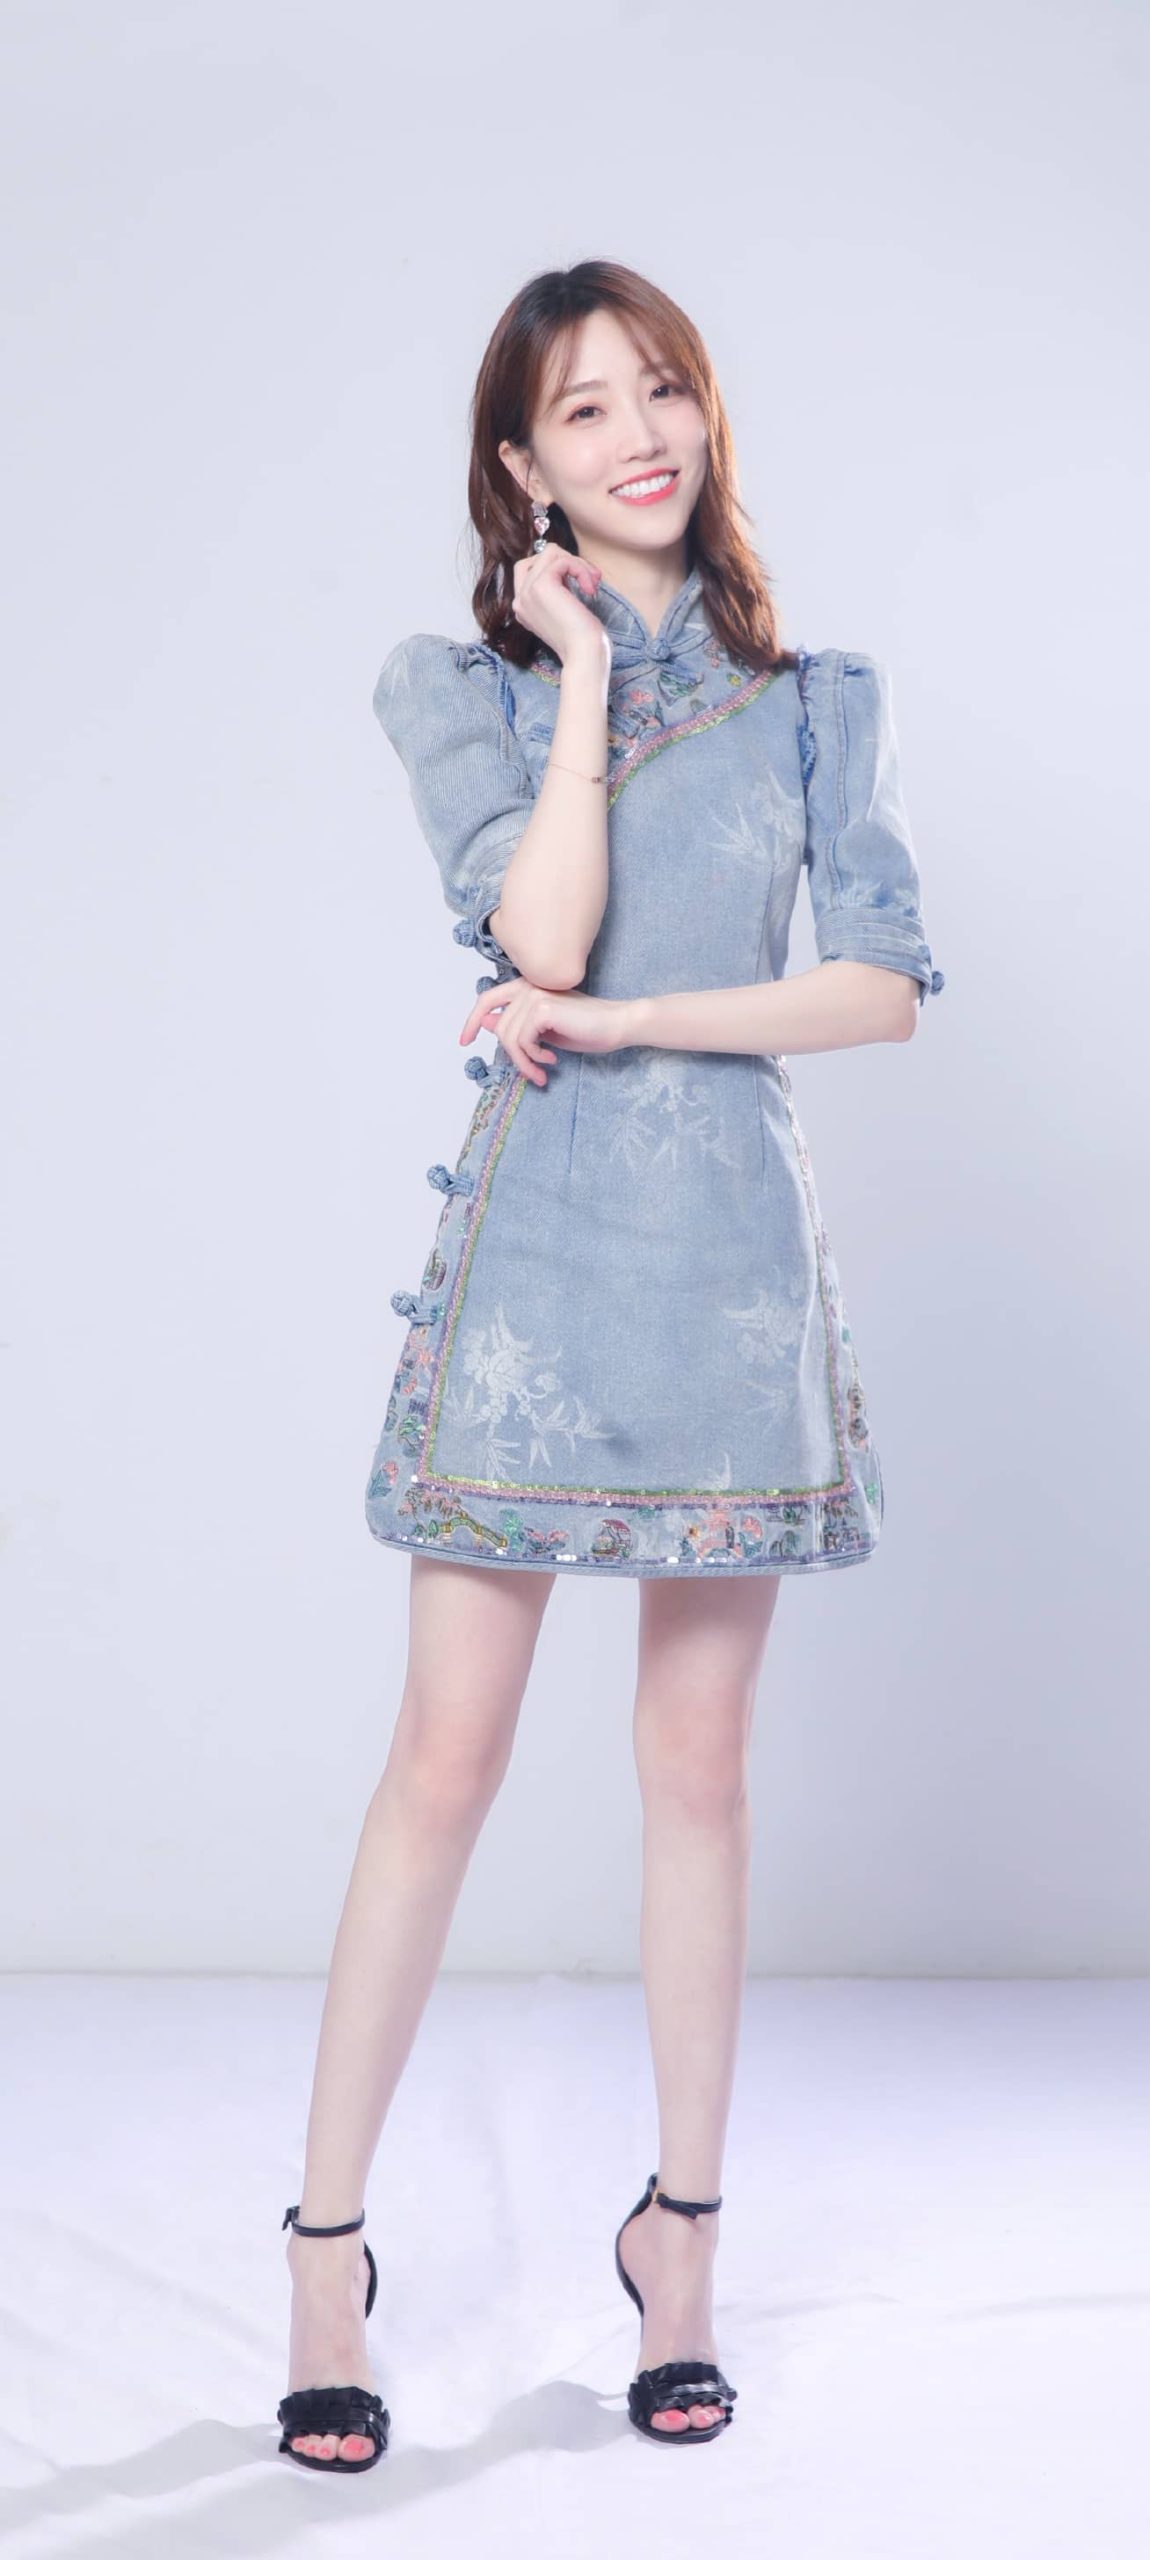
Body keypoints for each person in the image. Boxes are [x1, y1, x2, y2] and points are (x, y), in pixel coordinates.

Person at [276, 260, 945, 2471]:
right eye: (583, 409)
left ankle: (681, 2246)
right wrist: (574, 676)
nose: (639, 432)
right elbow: (536, 934)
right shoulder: (454, 689)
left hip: (731, 1268)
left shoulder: (815, 700)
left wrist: (648, 1021)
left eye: (662, 388)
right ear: (521, 467)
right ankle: (324, 2253)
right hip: (541, 1260)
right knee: (441, 1764)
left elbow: (877, 986)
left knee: (697, 1777)